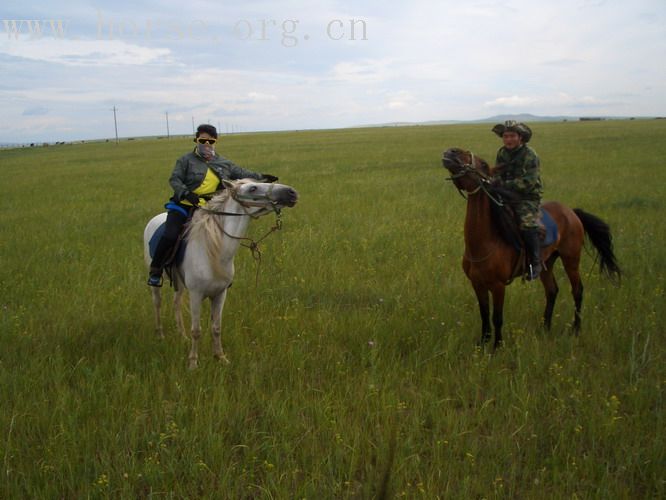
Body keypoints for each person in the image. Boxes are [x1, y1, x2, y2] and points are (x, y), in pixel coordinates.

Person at [147, 124, 278, 286]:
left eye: (211, 141)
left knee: (223, 237)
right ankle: (156, 269)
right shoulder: (185, 160)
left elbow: (241, 173)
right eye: (203, 140)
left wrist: (262, 178)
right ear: (196, 141)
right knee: (170, 235)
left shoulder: (223, 162)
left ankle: (220, 275)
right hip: (184, 205)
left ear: (215, 141)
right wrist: (186, 193)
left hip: (211, 208)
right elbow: (175, 179)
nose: (207, 144)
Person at [490, 120, 544, 281]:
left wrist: (503, 185)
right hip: (505, 194)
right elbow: (497, 173)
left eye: (512, 136)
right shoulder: (502, 153)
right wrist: (495, 182)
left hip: (527, 197)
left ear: (520, 137)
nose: (508, 139)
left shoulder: (530, 154)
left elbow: (529, 182)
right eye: (505, 136)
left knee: (527, 224)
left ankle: (535, 262)